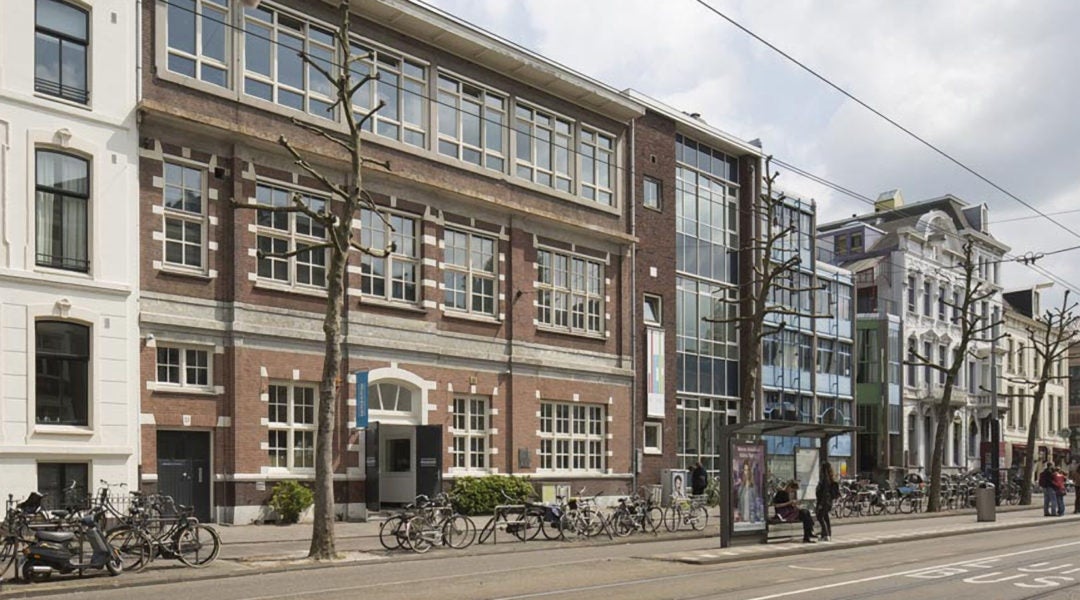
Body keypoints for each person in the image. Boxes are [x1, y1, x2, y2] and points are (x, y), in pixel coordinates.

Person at [815, 462, 839, 541]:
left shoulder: (824, 479)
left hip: (824, 501)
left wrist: (821, 504)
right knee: (825, 517)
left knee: (820, 516)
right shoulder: (830, 478)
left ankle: (825, 535)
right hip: (828, 502)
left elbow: (824, 492)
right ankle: (828, 534)